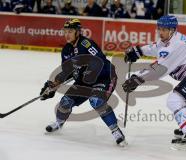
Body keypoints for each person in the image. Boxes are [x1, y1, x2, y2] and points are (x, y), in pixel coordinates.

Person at [122, 15, 186, 146]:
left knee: (175, 99)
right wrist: (138, 51)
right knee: (183, 98)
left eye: (164, 29)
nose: (160, 32)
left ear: (172, 30)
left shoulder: (175, 46)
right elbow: (156, 47)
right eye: (159, 28)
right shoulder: (171, 38)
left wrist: (136, 79)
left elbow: (159, 69)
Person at [40, 18, 127, 147]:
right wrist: (53, 85)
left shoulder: (86, 44)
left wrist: (83, 68)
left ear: (77, 32)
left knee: (96, 101)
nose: (67, 34)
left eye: (70, 31)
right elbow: (66, 72)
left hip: (104, 77)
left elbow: (99, 61)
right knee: (65, 102)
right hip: (84, 80)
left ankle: (115, 130)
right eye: (65, 31)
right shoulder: (66, 50)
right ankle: (59, 122)